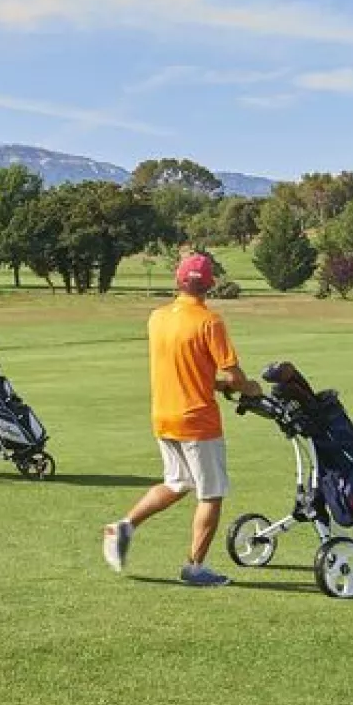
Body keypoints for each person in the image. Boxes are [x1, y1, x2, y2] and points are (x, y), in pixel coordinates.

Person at [102, 251, 261, 586]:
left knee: (177, 482)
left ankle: (124, 526)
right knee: (211, 493)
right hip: (197, 420)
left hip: (164, 415)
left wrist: (214, 382)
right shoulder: (209, 321)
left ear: (178, 281)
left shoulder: (157, 317)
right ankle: (195, 567)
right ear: (209, 285)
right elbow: (233, 375)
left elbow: (189, 367)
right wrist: (251, 388)